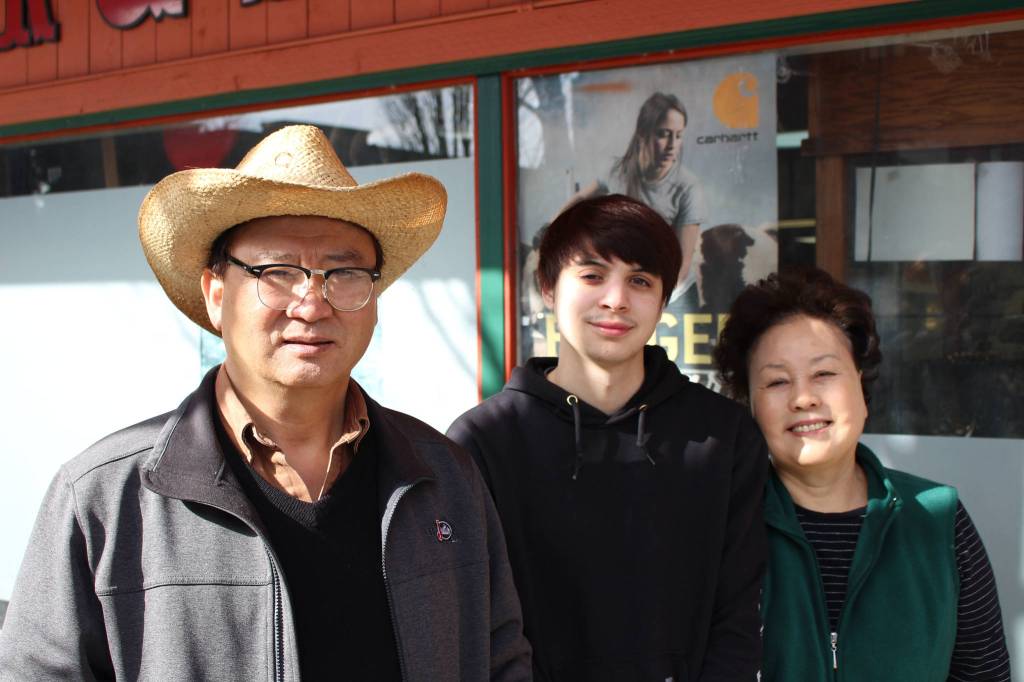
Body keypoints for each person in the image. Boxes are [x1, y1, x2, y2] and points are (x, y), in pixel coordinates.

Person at [0, 125, 531, 680]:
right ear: (215, 292)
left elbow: (501, 658)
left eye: (344, 273)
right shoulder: (105, 499)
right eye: (276, 272)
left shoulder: (444, 477)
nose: (312, 303)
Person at [448, 194, 768, 680]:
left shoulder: (721, 435)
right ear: (548, 288)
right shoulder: (486, 440)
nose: (615, 300)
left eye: (639, 280)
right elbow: (477, 622)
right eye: (593, 276)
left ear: (663, 299)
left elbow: (738, 617)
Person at [714, 267, 1011, 681]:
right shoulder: (724, 526)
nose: (803, 398)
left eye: (824, 374)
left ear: (862, 385)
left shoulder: (939, 520)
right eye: (777, 381)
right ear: (750, 406)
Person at [568, 92, 708, 294]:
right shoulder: (618, 171)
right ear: (643, 134)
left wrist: (645, 298)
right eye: (663, 134)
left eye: (678, 136)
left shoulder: (688, 187)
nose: (671, 145)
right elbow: (578, 201)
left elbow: (682, 268)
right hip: (617, 288)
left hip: (670, 295)